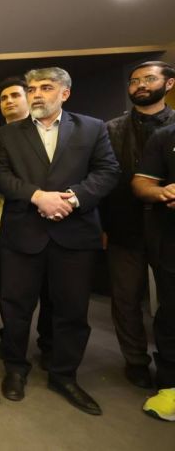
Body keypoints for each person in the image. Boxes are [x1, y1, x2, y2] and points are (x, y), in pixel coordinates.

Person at [0, 67, 119, 415]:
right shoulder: (7, 134)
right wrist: (38, 197)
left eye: (45, 88)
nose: (36, 94)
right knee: (15, 309)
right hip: (22, 234)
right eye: (32, 88)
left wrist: (72, 199)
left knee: (72, 311)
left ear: (65, 93)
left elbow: (108, 171)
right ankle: (15, 369)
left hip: (74, 233)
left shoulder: (92, 127)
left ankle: (64, 375)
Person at [103, 61, 175, 389]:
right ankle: (135, 360)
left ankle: (168, 362)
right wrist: (102, 226)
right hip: (123, 225)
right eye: (134, 81)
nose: (140, 85)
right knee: (126, 299)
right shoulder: (110, 129)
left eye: (149, 79)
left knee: (171, 301)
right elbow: (102, 180)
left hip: (169, 229)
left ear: (168, 84)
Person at [0, 77, 53, 367]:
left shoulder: (49, 133)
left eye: (15, 95)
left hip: (55, 224)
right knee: (14, 298)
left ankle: (49, 346)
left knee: (53, 297)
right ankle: (13, 352)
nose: (9, 101)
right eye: (4, 98)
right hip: (10, 226)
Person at [132, 120, 175, 421]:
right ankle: (171, 386)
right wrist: (162, 192)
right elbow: (141, 183)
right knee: (171, 313)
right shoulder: (166, 136)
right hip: (170, 241)